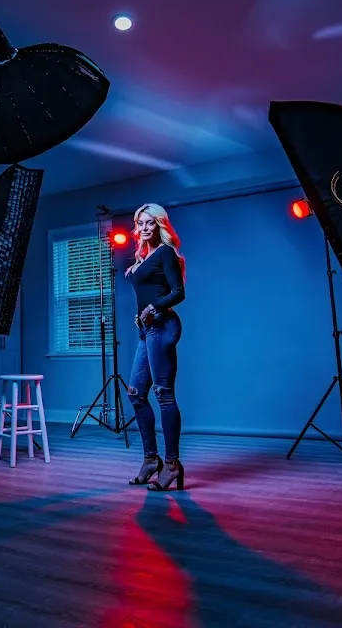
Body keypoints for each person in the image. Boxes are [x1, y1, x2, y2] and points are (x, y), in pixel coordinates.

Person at [124, 203, 187, 491]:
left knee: (163, 393)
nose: (145, 228)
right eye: (141, 223)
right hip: (145, 330)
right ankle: (151, 460)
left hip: (162, 327)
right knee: (136, 394)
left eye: (150, 223)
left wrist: (153, 307)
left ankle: (172, 464)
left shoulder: (165, 252)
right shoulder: (144, 257)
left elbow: (178, 292)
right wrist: (140, 314)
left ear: (159, 225)